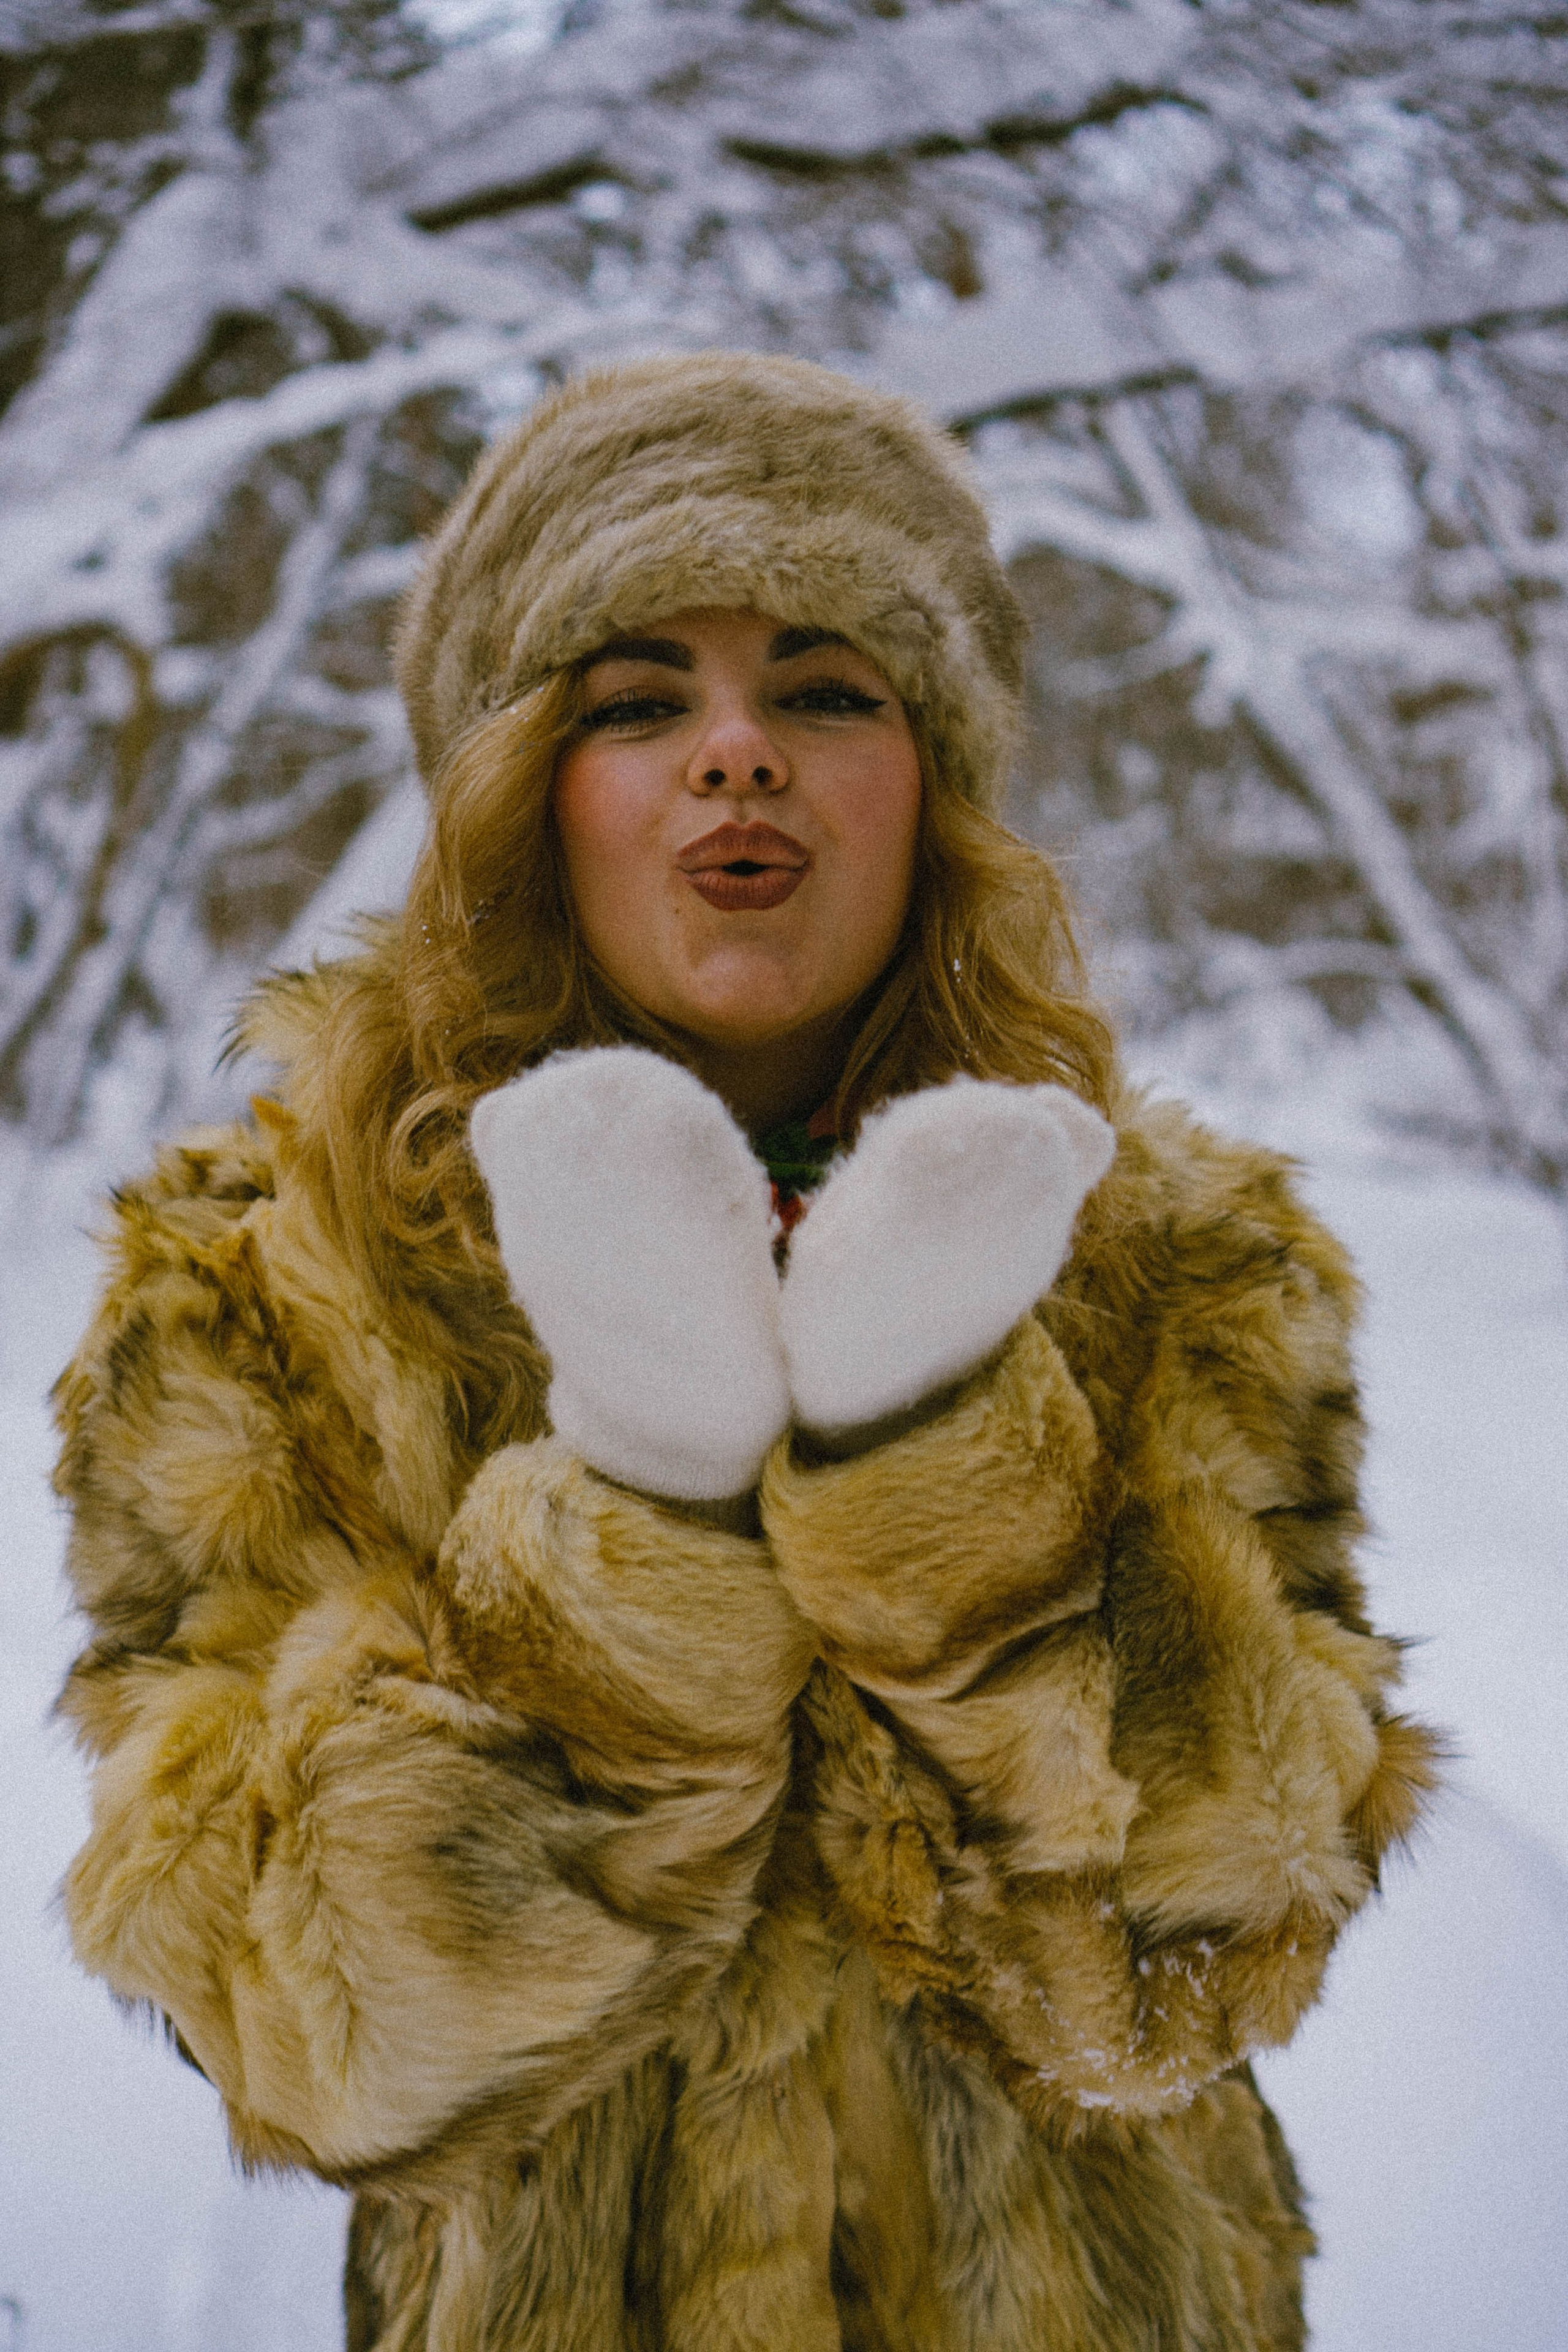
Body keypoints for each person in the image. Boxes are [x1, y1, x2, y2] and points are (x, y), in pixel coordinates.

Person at [53, 352, 1436, 2351]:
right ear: (523, 786)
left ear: (931, 781)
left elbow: (1193, 1975)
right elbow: (304, 2039)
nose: (737, 756)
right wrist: (640, 1516)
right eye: (637, 702)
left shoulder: (1172, 1259)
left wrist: (942, 1463)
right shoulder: (273, 1284)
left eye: (825, 690)